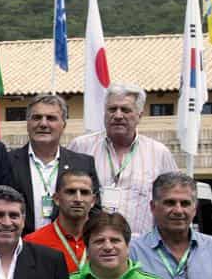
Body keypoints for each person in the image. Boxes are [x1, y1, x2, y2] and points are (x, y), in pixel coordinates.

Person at [68, 83, 178, 235]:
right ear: (104, 113)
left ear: (140, 115)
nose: (118, 115)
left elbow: (172, 201)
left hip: (140, 249)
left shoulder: (159, 154)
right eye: (112, 109)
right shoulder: (80, 147)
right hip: (89, 247)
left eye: (125, 110)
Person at [7, 95, 98, 235]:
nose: (43, 124)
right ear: (28, 123)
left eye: (51, 118)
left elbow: (94, 211)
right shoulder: (8, 162)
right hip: (20, 248)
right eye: (37, 117)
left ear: (63, 125)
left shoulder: (83, 164)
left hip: (67, 248)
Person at [24, 168, 98, 273]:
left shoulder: (104, 241)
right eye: (71, 192)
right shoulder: (33, 242)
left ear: (93, 201)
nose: (78, 199)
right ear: (56, 199)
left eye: (84, 192)